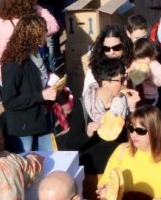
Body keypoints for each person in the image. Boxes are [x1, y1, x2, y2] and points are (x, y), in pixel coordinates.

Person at [58, 58, 139, 195]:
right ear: (106, 83)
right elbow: (71, 144)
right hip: (94, 172)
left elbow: (130, 137)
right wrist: (88, 134)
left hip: (119, 169)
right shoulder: (84, 105)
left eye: (125, 77)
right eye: (120, 79)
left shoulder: (123, 101)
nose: (125, 83)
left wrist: (133, 111)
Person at [98, 105, 161, 200]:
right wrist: (104, 190)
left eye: (140, 131)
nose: (133, 134)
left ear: (155, 131)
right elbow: (106, 180)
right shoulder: (121, 151)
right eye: (131, 129)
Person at [0, 14, 59, 152]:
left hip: (42, 120)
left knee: (51, 160)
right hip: (24, 128)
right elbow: (9, 101)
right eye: (42, 33)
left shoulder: (37, 54)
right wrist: (41, 95)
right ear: (31, 36)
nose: (46, 36)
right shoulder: (13, 64)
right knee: (26, 166)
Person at [0, 0, 59, 87]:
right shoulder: (29, 24)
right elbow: (54, 26)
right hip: (28, 74)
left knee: (13, 101)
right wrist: (39, 9)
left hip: (3, 73)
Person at [81, 25, 135, 96]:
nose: (111, 52)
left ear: (124, 46)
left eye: (116, 47)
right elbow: (88, 98)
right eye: (106, 48)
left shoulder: (132, 65)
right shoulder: (94, 71)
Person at [129, 38, 161, 105]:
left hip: (150, 96)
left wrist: (151, 77)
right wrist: (131, 72)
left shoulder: (155, 65)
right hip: (136, 93)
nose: (140, 61)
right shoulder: (135, 63)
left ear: (151, 55)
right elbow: (130, 73)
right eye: (137, 58)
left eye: (143, 58)